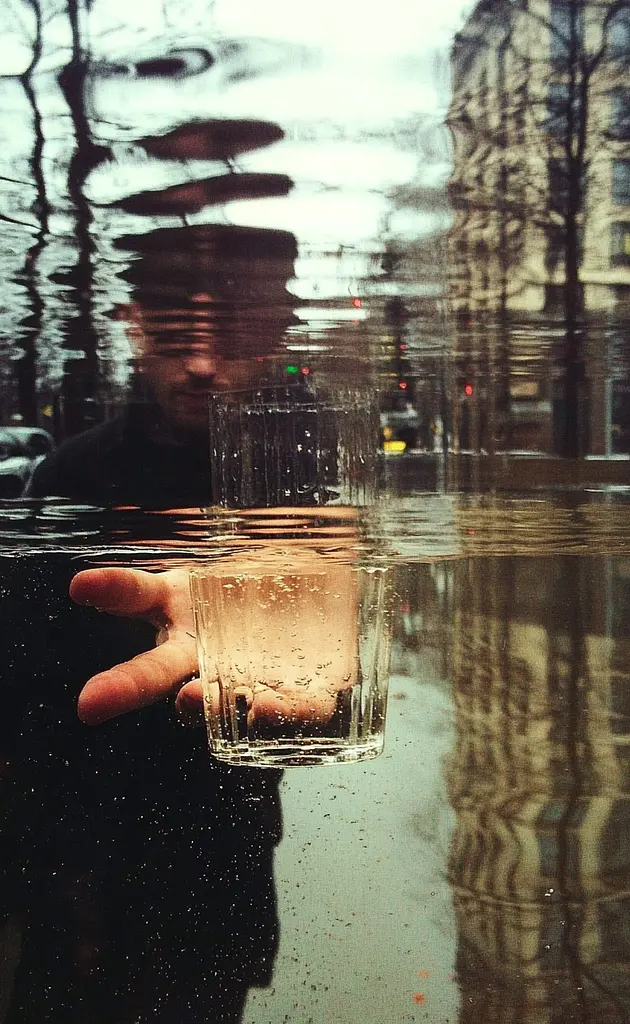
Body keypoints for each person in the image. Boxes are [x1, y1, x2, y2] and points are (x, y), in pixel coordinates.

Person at [4, 225, 297, 1024]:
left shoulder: (298, 487)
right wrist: (54, 883)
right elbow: (22, 708)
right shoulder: (68, 477)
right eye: (175, 333)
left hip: (219, 868)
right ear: (133, 323)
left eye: (233, 334)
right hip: (78, 872)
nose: (203, 364)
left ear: (276, 332)